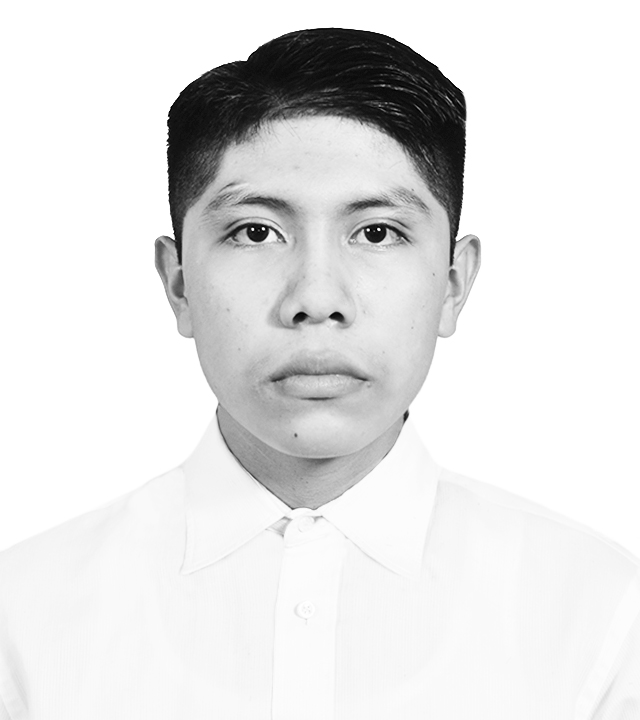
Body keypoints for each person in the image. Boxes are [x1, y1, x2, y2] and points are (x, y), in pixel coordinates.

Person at [0, 27, 637, 720]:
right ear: (178, 282)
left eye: (377, 232)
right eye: (255, 232)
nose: (316, 298)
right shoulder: (23, 623)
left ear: (453, 283)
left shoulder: (602, 618)